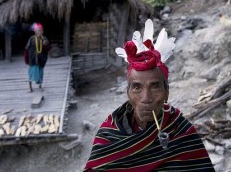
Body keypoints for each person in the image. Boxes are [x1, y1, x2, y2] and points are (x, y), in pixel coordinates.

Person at [84, 19, 214, 171]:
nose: (146, 98)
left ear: (167, 92)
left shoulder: (181, 131)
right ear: (128, 92)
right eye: (137, 87)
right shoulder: (109, 132)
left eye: (155, 87)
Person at [24, 22, 51, 92]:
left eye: (41, 30)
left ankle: (40, 86)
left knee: (40, 72)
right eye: (38, 30)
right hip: (32, 59)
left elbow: (48, 49)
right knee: (31, 73)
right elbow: (27, 49)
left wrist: (46, 44)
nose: (40, 32)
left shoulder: (44, 39)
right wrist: (26, 59)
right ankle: (30, 88)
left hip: (41, 59)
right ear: (35, 31)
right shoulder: (31, 39)